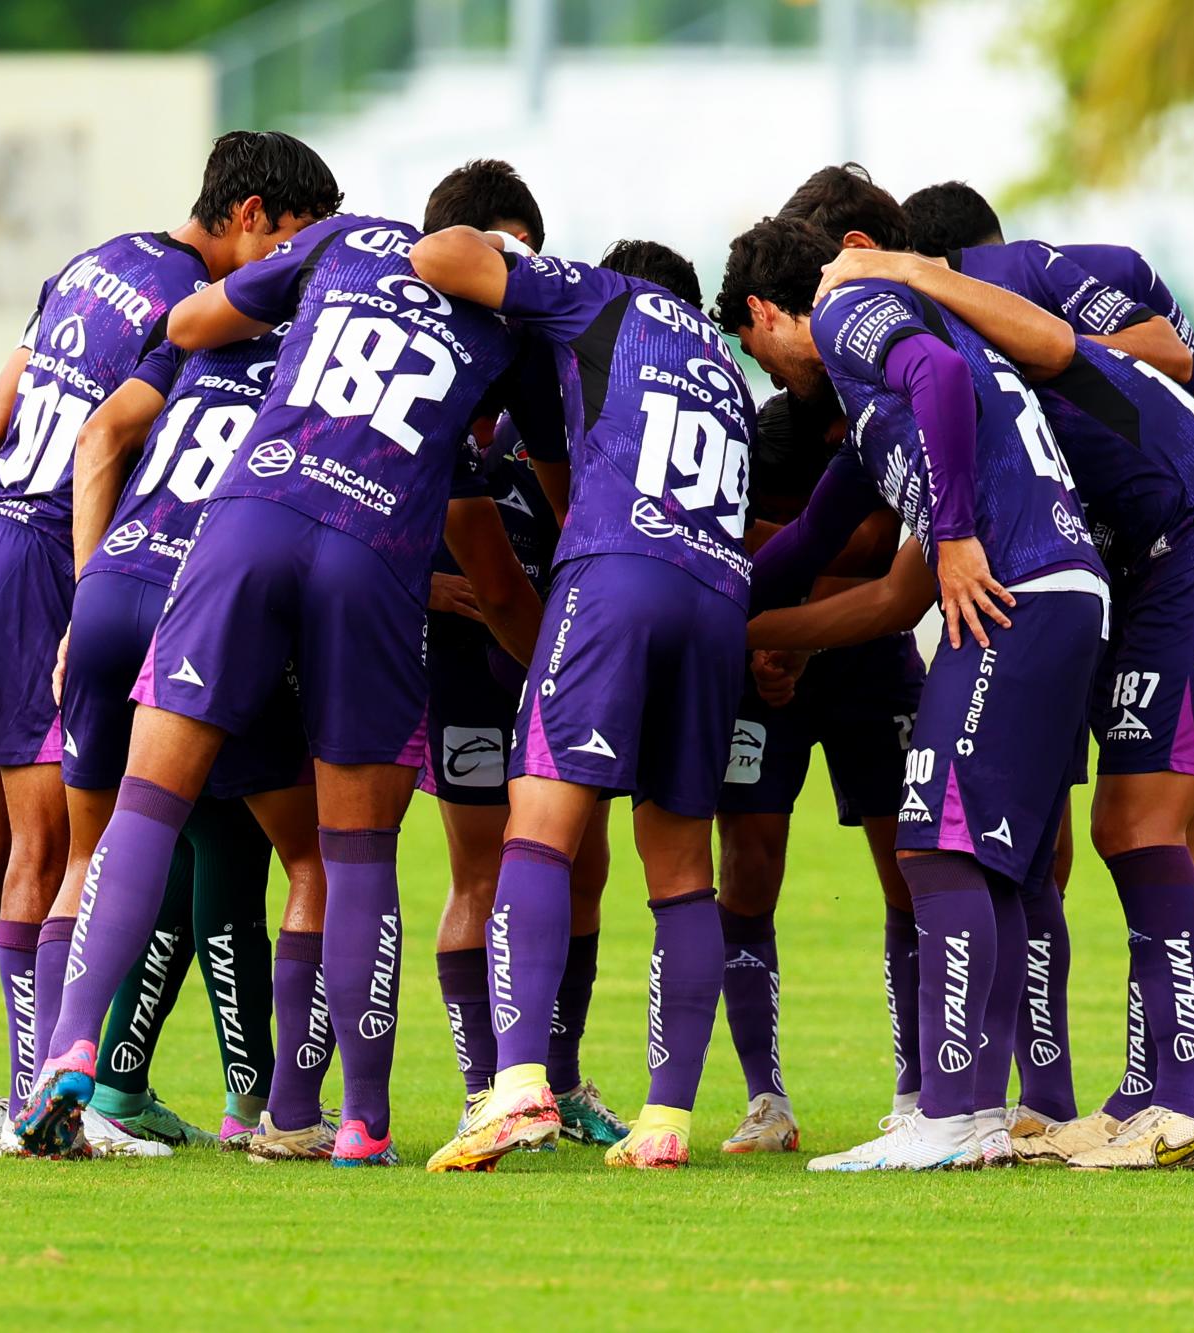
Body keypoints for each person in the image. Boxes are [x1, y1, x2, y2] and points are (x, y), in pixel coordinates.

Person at [11, 161, 553, 1166]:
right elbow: (519, 469)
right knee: (353, 855)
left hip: (249, 517)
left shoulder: (338, 241)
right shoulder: (518, 311)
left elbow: (186, 326)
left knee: (145, 804)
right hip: (372, 553)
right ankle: (357, 1121)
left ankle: (71, 1047)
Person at [820, 241, 1194, 1169]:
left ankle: (1190, 1102)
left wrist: (918, 275)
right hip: (1193, 568)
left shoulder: (1008, 343)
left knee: (1139, 827)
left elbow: (1074, 341)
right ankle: (1156, 1092)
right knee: (1169, 833)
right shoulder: (998, 398)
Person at [0, 130, 330, 1156]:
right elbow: (103, 435)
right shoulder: (192, 308)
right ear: (250, 219)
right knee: (60, 845)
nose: (286, 274)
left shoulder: (96, 262)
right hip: (57, 561)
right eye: (290, 245)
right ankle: (38, 1104)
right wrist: (93, 573)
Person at [717, 216, 1108, 1171]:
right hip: (1054, 590)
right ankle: (999, 1112)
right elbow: (809, 542)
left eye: (756, 347)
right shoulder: (866, 415)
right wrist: (716, 609)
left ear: (768, 312)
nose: (769, 371)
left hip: (1016, 587)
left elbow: (933, 372)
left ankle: (949, 1113)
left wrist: (961, 533)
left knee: (932, 839)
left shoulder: (849, 306)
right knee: (995, 859)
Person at [411, 233, 753, 1172]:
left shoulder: (604, 301)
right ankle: (666, 1121)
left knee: (540, 828)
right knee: (683, 863)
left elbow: (442, 258)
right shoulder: (725, 367)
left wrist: (499, 247)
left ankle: (518, 1084)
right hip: (721, 597)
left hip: (617, 576)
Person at [54, 322, 317, 1151]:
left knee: (108, 854)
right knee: (273, 855)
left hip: (109, 590)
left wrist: (85, 589)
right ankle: (261, 1101)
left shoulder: (193, 335)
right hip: (204, 611)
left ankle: (79, 1075)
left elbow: (100, 435)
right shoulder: (313, 350)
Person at [713, 388, 926, 1154]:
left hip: (868, 662)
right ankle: (764, 1096)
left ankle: (918, 1088)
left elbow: (878, 556)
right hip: (758, 665)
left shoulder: (875, 439)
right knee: (746, 866)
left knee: (914, 870)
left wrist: (791, 632)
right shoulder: (743, 450)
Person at [423, 419, 629, 1149]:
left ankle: (561, 1082)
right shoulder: (425, 413)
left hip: (560, 654)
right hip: (467, 667)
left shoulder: (554, 415)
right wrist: (422, 582)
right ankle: (486, 1089)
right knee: (479, 871)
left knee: (585, 866)